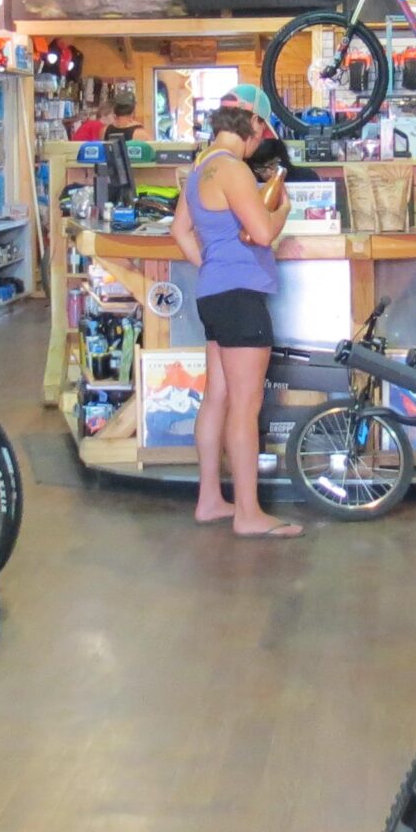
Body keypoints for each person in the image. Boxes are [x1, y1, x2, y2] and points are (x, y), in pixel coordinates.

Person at [171, 100, 301, 538]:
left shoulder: (200, 168)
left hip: (214, 293)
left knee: (218, 398)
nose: (260, 142)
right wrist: (284, 207)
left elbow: (179, 231)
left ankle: (210, 499)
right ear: (252, 123)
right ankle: (248, 513)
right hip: (241, 295)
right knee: (246, 406)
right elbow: (263, 232)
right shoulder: (232, 169)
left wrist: (211, 265)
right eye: (261, 132)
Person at [69, 90, 138, 143]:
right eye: (113, 116)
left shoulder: (93, 124)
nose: (116, 119)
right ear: (104, 114)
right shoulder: (98, 126)